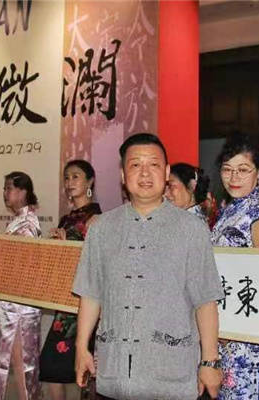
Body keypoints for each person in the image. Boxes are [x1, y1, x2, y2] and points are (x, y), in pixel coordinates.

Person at [73, 133, 224, 400]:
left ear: (165, 172)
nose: (144, 173)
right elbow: (91, 294)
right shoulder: (101, 228)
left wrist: (209, 361)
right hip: (114, 373)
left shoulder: (192, 229)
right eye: (135, 165)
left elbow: (205, 300)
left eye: (153, 164)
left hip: (170, 376)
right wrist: (81, 347)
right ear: (123, 175)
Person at [210, 136, 259, 400]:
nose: (234, 177)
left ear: (258, 172)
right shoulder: (229, 210)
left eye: (243, 169)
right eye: (227, 169)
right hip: (223, 321)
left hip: (247, 328)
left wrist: (237, 324)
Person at [40, 160, 102, 400]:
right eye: (66, 177)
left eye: (76, 176)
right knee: (53, 369)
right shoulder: (66, 220)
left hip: (85, 302)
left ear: (90, 182)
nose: (69, 182)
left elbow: (98, 262)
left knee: (80, 371)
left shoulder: (98, 218)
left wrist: (69, 246)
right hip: (64, 299)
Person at [0, 171, 42, 400]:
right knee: (13, 362)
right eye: (4, 188)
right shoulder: (18, 221)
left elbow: (23, 263)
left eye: (9, 188)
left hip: (20, 306)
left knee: (23, 363)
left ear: (23, 192)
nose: (5, 193)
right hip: (11, 302)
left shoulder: (28, 222)